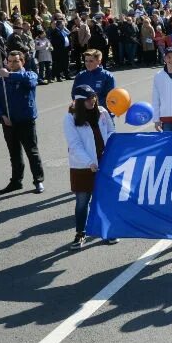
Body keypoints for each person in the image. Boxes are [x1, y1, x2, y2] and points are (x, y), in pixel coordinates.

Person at [64, 85, 117, 248]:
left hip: (103, 162)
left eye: (93, 96)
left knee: (102, 200)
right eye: (88, 98)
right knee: (82, 202)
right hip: (82, 166)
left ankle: (105, 232)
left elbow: (111, 131)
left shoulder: (102, 112)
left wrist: (110, 154)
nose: (92, 100)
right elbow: (74, 144)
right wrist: (89, 162)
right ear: (79, 101)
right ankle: (81, 233)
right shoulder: (70, 117)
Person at [0, 51, 45, 194]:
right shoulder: (1, 80)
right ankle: (16, 181)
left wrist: (9, 75)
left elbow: (30, 82)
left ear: (22, 62)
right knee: (14, 153)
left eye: (16, 61)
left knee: (32, 152)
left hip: (25, 120)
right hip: (8, 122)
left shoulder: (29, 74)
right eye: (10, 61)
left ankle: (38, 181)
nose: (12, 64)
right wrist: (2, 116)